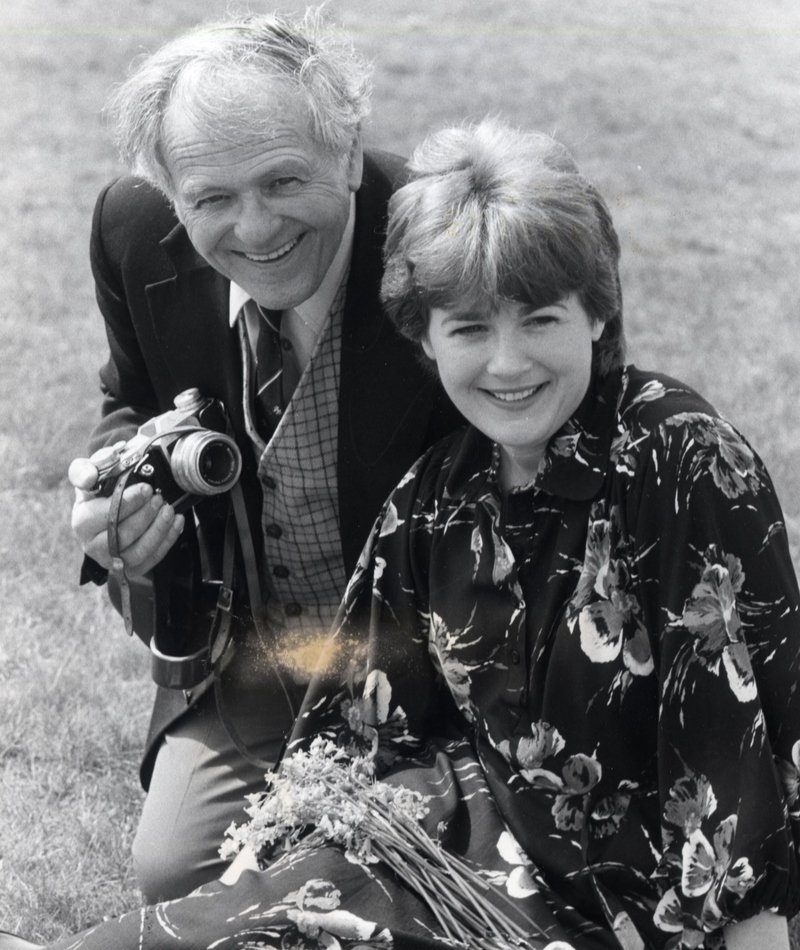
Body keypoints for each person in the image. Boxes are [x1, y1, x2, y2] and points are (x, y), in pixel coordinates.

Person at [19, 119, 799, 949]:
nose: (507, 364)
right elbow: (348, 726)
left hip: (629, 903)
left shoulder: (679, 455)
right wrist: (274, 879)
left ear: (597, 315)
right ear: (425, 340)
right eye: (468, 329)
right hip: (461, 848)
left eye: (539, 320)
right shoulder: (437, 494)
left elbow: (737, 756)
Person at [66, 9, 462, 903]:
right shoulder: (133, 231)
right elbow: (128, 397)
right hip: (251, 648)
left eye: (285, 179)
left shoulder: (442, 242)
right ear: (168, 190)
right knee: (175, 873)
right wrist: (114, 490)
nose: (254, 229)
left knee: (408, 881)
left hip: (439, 661)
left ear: (350, 151)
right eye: (210, 198)